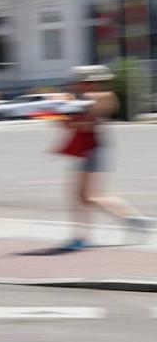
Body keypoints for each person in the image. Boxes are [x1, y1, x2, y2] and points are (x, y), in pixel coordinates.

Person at [57, 65, 154, 251]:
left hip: (92, 148)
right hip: (89, 148)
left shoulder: (97, 97)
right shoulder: (87, 99)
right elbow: (76, 125)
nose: (74, 85)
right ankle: (132, 219)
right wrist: (64, 117)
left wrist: (69, 114)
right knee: (85, 196)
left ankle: (83, 236)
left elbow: (87, 125)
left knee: (86, 195)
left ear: (89, 82)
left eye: (78, 81)